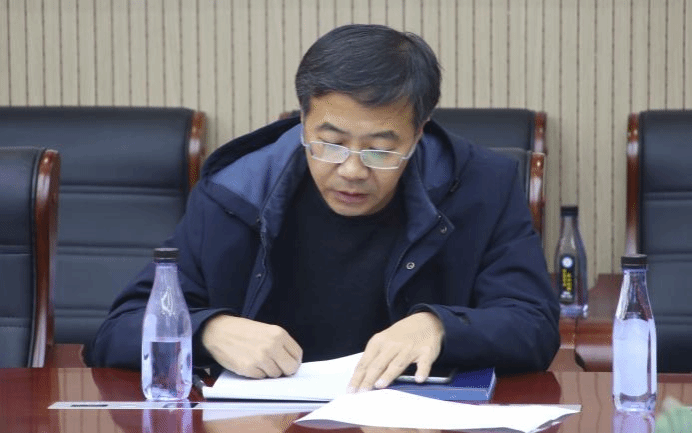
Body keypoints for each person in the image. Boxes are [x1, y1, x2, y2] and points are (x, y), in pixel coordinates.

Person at [88, 24, 560, 391]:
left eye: (380, 150)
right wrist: (207, 331)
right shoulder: (236, 191)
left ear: (419, 134)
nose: (352, 170)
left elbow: (535, 326)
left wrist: (439, 326)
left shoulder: (481, 186)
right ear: (303, 121)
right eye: (330, 144)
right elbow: (115, 332)